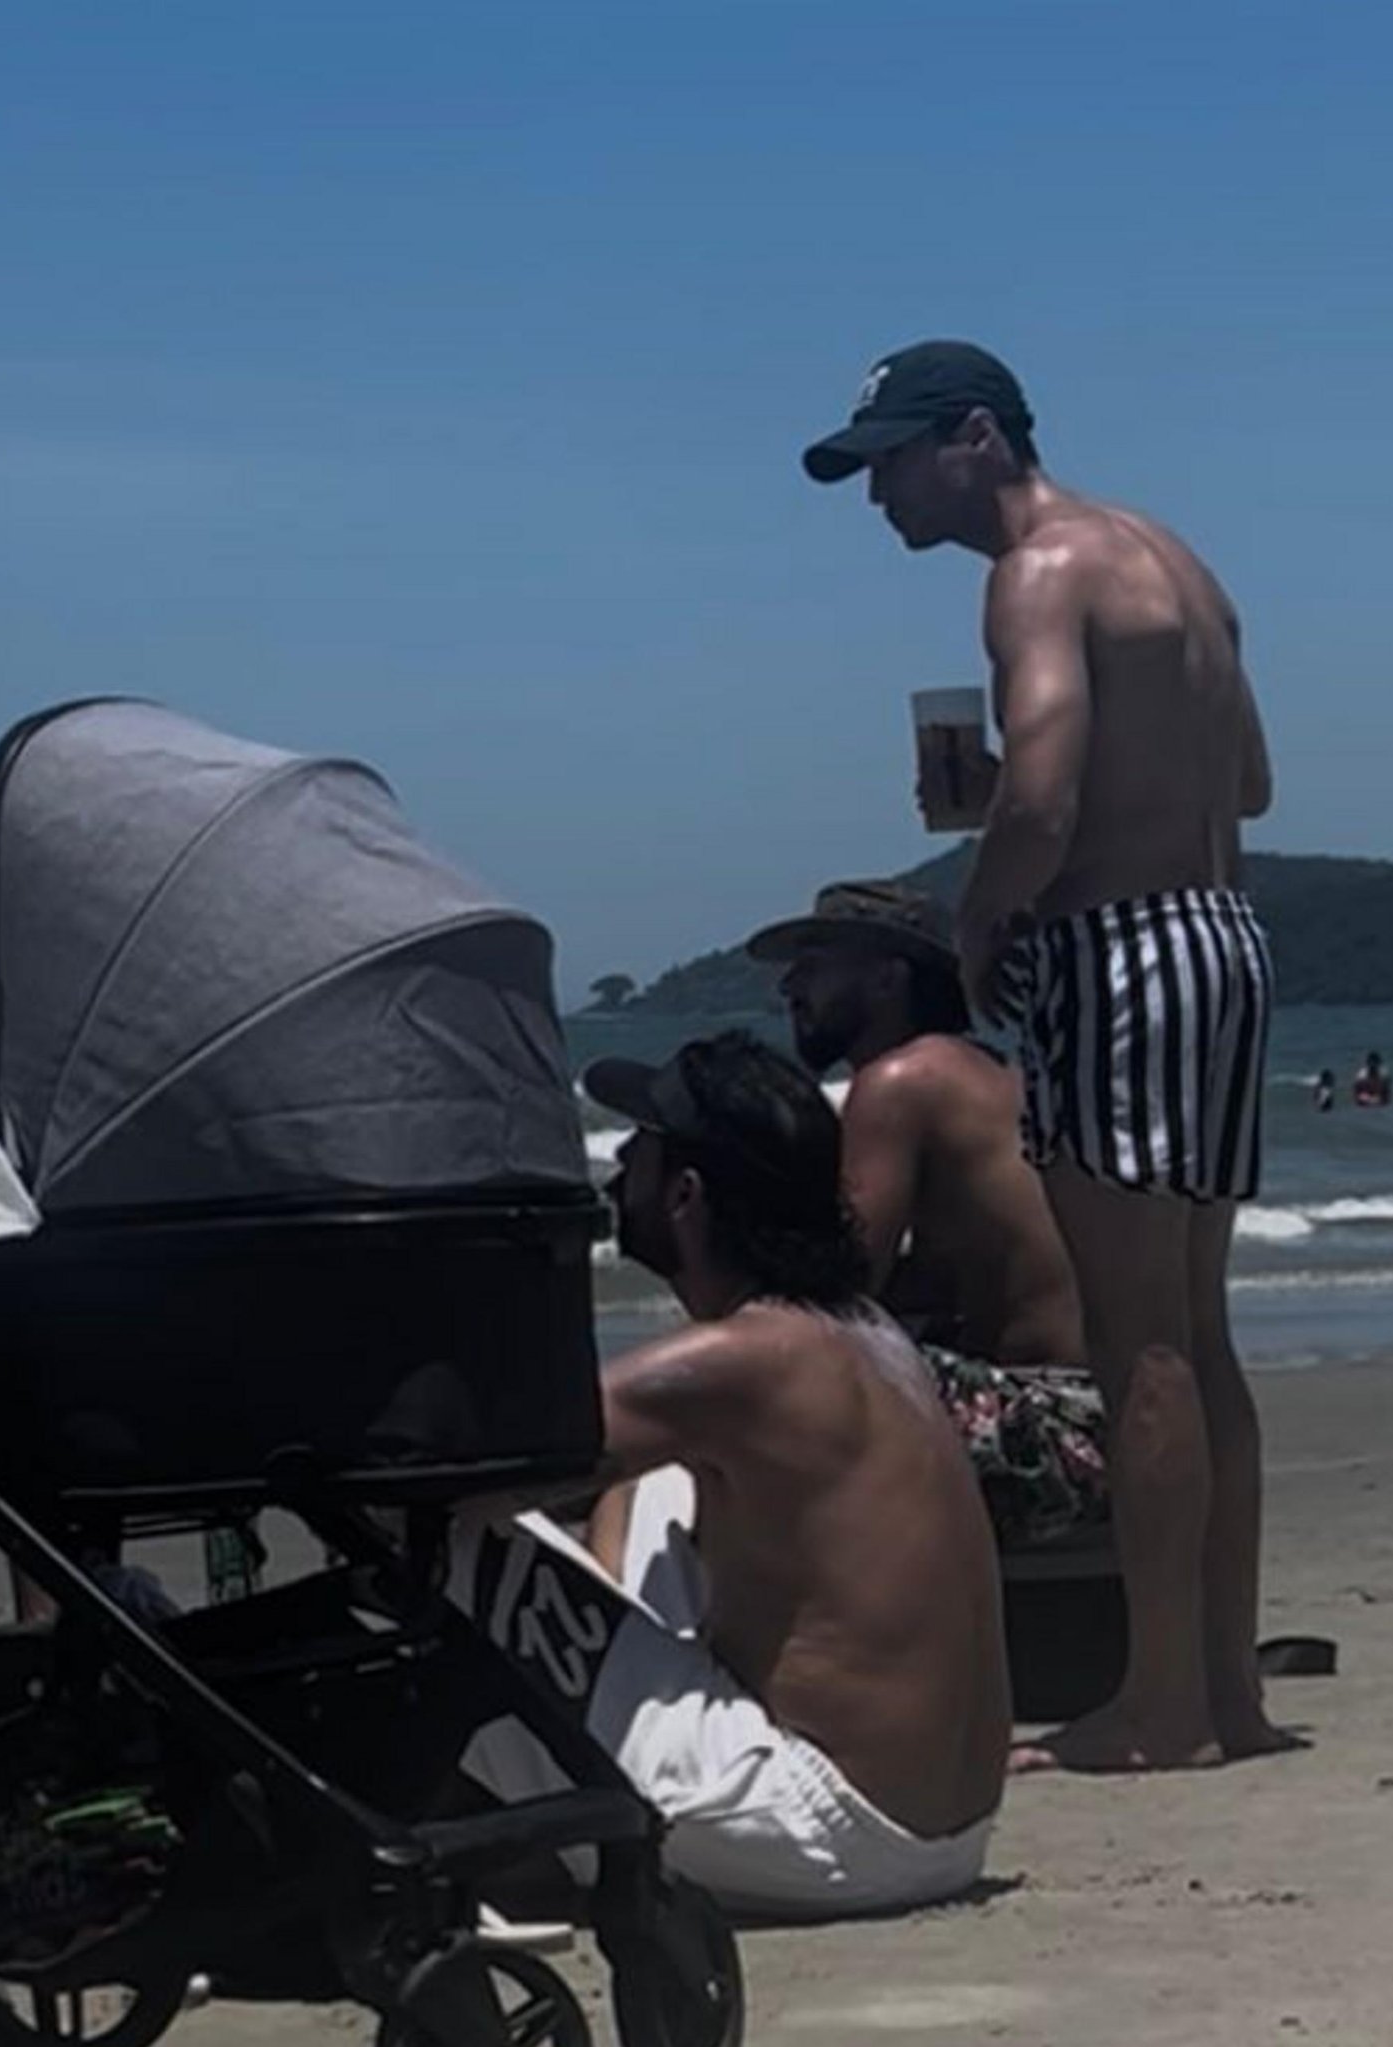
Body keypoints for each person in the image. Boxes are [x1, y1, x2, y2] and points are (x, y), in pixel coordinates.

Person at [806, 339, 1283, 1775]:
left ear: (973, 437)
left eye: (891, 457)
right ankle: (1220, 1691)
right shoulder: (1167, 560)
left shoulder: (1029, 571)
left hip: (1120, 948)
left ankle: (1155, 1706)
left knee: (1134, 1333)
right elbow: (1247, 778)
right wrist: (1011, 807)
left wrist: (972, 923)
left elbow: (1051, 798)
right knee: (1192, 1328)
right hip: (1217, 933)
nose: (875, 491)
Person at [457, 1034, 1008, 1918]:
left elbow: (474, 1476)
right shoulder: (859, 1329)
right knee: (651, 1482)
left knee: (451, 1545)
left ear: (685, 1196)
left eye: (639, 1143)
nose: (620, 1159)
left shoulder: (737, 1363)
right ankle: (564, 1752)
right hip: (950, 1827)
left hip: (833, 1830)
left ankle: (474, 1811)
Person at [746, 878, 1099, 1547]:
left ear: (886, 979)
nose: (789, 986)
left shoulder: (899, 1083)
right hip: (1093, 1415)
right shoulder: (991, 1075)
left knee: (764, 1381)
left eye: (815, 964)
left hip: (1044, 1426)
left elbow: (844, 1284)